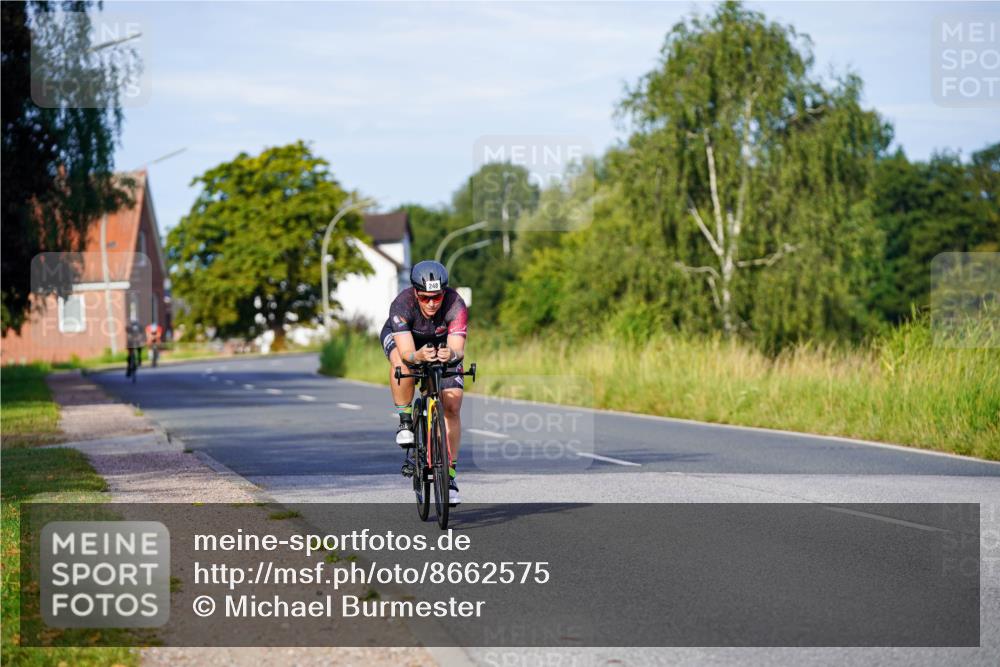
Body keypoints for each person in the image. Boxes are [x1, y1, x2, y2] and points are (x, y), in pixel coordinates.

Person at [381, 260, 467, 504]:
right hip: (406, 340)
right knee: (402, 364)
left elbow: (457, 349)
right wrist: (416, 357)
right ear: (416, 293)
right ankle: (406, 421)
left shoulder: (455, 304)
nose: (431, 303)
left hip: (441, 345)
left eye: (437, 297)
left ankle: (449, 476)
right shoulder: (402, 304)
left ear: (444, 293)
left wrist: (449, 355)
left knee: (452, 404)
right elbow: (408, 351)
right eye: (425, 297)